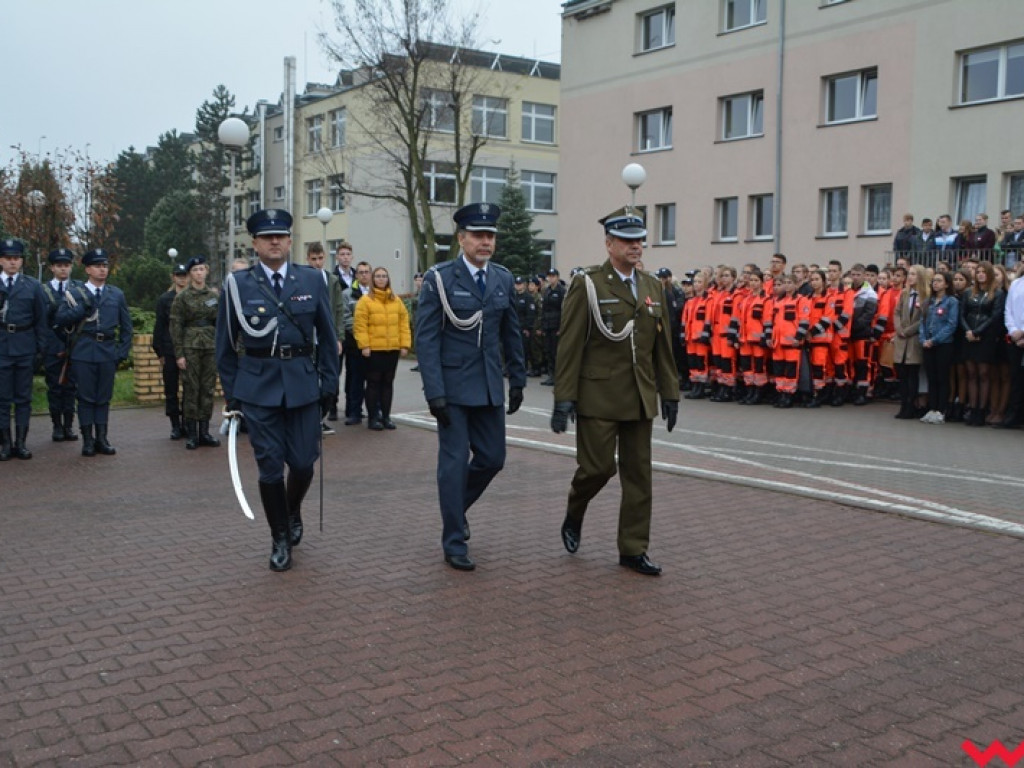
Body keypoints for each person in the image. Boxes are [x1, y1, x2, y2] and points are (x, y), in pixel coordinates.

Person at [551, 209, 678, 576]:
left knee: (639, 476)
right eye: (627, 240)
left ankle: (633, 549)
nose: (636, 246)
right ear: (609, 244)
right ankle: (575, 509)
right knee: (597, 468)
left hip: (640, 395)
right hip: (599, 395)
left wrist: (669, 393)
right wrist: (564, 397)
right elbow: (570, 345)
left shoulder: (653, 286)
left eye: (639, 239)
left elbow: (662, 347)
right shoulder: (588, 284)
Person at [216, 209, 339, 572]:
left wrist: (330, 385)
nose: (274, 242)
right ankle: (280, 536)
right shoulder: (237, 285)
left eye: (281, 236)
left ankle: (291, 507)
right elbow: (224, 346)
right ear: (254, 243)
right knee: (270, 468)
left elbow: (328, 337)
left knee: (302, 463)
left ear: (289, 240)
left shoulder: (313, 279)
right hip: (258, 387)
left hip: (302, 385)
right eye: (267, 237)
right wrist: (233, 395)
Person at [415, 202, 526, 572]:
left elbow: (511, 334)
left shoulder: (502, 278)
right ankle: (454, 540)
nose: (485, 242)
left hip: (489, 386)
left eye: (490, 236)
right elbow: (427, 340)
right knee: (453, 463)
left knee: (493, 458)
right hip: (452, 388)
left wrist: (519, 379)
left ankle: (454, 508)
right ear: (461, 239)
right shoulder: (440, 279)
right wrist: (434, 393)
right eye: (478, 235)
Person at [55, 249, 133, 457]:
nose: (102, 270)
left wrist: (121, 353)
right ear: (88, 269)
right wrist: (81, 309)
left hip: (107, 351)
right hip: (83, 350)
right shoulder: (75, 293)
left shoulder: (116, 294)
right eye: (98, 266)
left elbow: (126, 327)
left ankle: (102, 438)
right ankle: (88, 440)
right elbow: (60, 320)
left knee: (103, 397)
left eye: (105, 266)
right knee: (86, 397)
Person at [0, 238, 48, 460]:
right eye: (8, 259)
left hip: (25, 345)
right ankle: (5, 444)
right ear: (1, 260)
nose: (12, 263)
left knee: (23, 398)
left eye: (16, 259)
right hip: (2, 347)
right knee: (2, 398)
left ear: (21, 261)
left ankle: (21, 443)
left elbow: (41, 320)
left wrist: (40, 349)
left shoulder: (32, 286)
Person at [170, 256, 221, 450]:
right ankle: (191, 433)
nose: (199, 273)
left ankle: (205, 431)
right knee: (192, 389)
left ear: (206, 271)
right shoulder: (182, 297)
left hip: (210, 346)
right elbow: (175, 326)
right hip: (190, 346)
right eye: (195, 270)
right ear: (190, 274)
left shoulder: (214, 297)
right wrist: (179, 353)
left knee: (207, 388)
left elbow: (220, 323)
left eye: (202, 269)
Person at [353, 266, 411, 430]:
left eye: (384, 276)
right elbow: (360, 325)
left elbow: (403, 323)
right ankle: (373, 418)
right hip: (373, 350)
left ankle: (386, 416)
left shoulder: (396, 300)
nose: (381, 279)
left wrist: (404, 344)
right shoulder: (365, 301)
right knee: (373, 384)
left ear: (388, 279)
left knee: (388, 383)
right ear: (373, 279)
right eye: (378, 276)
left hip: (391, 349)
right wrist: (364, 345)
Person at [41, 248, 84, 442]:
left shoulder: (79, 288)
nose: (63, 269)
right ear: (52, 267)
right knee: (55, 387)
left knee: (71, 387)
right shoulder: (43, 290)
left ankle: (68, 426)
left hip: (74, 345)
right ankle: (57, 426)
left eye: (66, 265)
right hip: (52, 346)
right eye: (59, 266)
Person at [306, 242, 347, 436]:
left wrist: (338, 337)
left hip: (327, 338)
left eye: (320, 258)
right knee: (310, 379)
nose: (317, 263)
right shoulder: (301, 279)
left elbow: (338, 309)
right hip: (308, 341)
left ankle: (321, 416)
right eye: (313, 259)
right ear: (308, 259)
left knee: (330, 379)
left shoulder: (331, 280)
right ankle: (310, 420)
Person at [959, 261, 1006, 426]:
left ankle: (981, 410)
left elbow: (995, 316)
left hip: (985, 338)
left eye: (983, 272)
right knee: (971, 373)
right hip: (969, 336)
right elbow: (962, 314)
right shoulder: (968, 293)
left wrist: (978, 332)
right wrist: (968, 331)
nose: (980, 274)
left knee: (984, 374)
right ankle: (972, 409)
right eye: (978, 271)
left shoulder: (997, 293)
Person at [153, 262, 189, 439]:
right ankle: (175, 425)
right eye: (179, 276)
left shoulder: (193, 297)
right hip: (170, 349)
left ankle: (187, 423)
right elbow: (159, 326)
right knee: (171, 389)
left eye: (184, 275)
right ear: (173, 277)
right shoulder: (165, 299)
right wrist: (159, 352)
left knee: (189, 389)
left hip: (190, 349)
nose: (182, 279)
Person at [920, 272, 959, 424]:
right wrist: (923, 339)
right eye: (934, 281)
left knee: (942, 377)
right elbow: (923, 322)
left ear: (946, 284)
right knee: (932, 377)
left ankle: (941, 410)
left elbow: (951, 324)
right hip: (927, 343)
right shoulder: (929, 302)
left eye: (939, 281)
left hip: (943, 344)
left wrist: (934, 340)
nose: (935, 283)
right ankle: (932, 407)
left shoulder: (951, 301)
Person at [892, 264, 927, 419]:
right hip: (902, 339)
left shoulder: (925, 295)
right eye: (910, 274)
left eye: (913, 274)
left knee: (912, 375)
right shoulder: (905, 294)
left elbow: (923, 318)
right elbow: (897, 312)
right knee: (902, 374)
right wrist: (899, 328)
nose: (910, 277)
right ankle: (903, 405)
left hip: (913, 339)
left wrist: (908, 330)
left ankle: (912, 405)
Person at [328, 241, 356, 422]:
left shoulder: (358, 277)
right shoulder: (332, 277)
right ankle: (332, 406)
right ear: (337, 257)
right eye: (342, 254)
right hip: (338, 330)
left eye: (348, 254)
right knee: (335, 370)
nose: (345, 257)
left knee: (354, 371)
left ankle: (352, 407)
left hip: (353, 332)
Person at [538, 268, 565, 385]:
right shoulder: (547, 291)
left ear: (557, 277)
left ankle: (558, 377)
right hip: (548, 325)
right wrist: (543, 326)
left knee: (556, 352)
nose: (551, 278)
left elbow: (564, 310)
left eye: (553, 276)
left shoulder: (561, 291)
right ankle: (551, 375)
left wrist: (561, 327)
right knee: (548, 351)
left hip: (556, 325)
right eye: (549, 276)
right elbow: (544, 310)